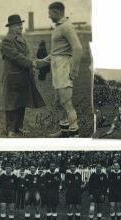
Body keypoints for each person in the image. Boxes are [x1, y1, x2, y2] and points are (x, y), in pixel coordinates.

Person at [35, 2, 83, 137]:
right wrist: (41, 63)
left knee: (66, 102)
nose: (48, 16)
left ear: (56, 12)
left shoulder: (67, 27)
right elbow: (55, 52)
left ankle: (75, 133)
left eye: (50, 13)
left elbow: (78, 48)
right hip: (57, 66)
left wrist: (74, 70)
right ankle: (64, 131)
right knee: (58, 102)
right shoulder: (58, 27)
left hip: (64, 66)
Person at [1, 14, 45, 137]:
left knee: (22, 101)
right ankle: (10, 130)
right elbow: (16, 56)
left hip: (23, 75)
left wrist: (32, 65)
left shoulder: (22, 38)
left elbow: (28, 54)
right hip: (12, 77)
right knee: (12, 103)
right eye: (18, 24)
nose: (21, 26)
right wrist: (32, 63)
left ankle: (18, 128)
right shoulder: (7, 40)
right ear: (11, 27)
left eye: (21, 24)